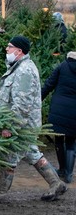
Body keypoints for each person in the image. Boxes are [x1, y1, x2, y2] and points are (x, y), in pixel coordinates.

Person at [0, 36, 67, 204]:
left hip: (21, 125)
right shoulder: (17, 67)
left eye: (9, 47)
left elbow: (22, 104)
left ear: (19, 51)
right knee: (32, 153)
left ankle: (0, 192)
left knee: (8, 155)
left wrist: (9, 126)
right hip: (23, 125)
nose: (6, 49)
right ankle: (56, 183)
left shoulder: (24, 70)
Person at [42, 51, 76, 183]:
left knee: (59, 140)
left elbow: (49, 84)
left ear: (68, 58)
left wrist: (38, 99)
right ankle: (68, 174)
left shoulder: (62, 66)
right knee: (71, 142)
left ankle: (61, 169)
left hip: (59, 108)